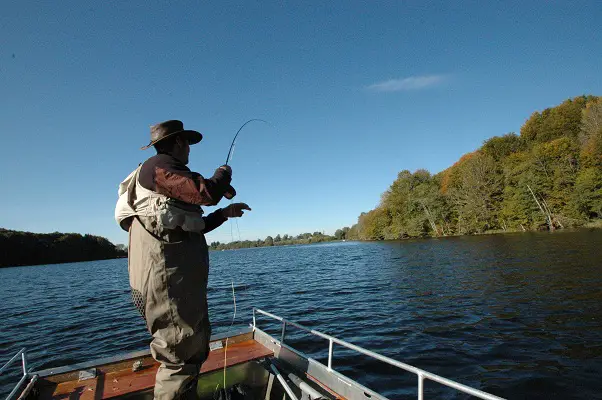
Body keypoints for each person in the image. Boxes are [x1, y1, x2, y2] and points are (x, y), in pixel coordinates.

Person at [114, 120, 251, 400]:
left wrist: (225, 214)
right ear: (178, 143)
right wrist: (222, 174)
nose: (189, 149)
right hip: (167, 282)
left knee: (189, 349)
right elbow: (205, 193)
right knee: (179, 355)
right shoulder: (158, 167)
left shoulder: (162, 180)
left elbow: (191, 225)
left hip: (174, 282)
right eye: (187, 143)